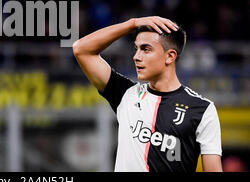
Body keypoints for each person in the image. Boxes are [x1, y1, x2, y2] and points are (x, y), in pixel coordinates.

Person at [73, 16, 222, 172]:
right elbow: (81, 49)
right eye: (136, 48)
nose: (136, 56)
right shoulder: (126, 94)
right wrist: (132, 24)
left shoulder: (202, 109)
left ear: (170, 56)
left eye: (146, 49)